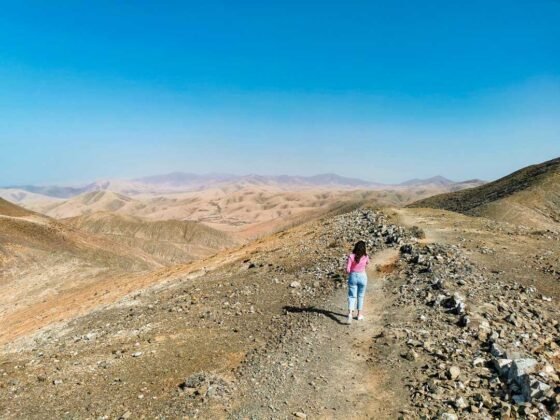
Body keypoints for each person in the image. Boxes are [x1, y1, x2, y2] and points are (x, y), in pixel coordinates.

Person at [346, 240, 369, 324]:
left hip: (353, 276)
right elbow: (367, 263)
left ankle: (350, 314)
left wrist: (351, 272)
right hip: (363, 276)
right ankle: (359, 315)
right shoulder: (366, 256)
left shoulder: (351, 256)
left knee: (352, 296)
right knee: (360, 296)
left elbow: (348, 269)